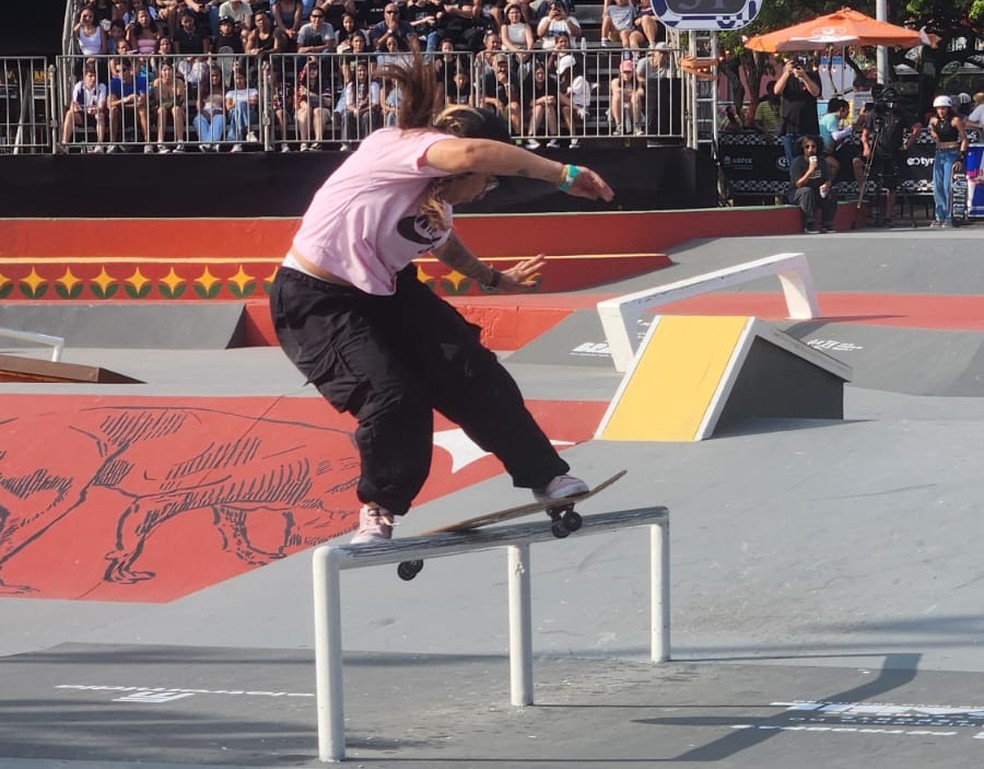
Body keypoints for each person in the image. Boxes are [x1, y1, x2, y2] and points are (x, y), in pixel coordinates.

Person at [268, 49, 613, 544]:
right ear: (461, 164)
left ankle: (546, 476)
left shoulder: (440, 200)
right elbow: (473, 153)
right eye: (488, 180)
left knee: (470, 368)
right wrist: (563, 174)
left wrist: (492, 278)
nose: (488, 188)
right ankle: (379, 508)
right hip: (316, 301)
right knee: (392, 396)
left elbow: (441, 243)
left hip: (387, 291)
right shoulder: (397, 149)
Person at [859, 85, 921, 227]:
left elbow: (917, 127)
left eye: (894, 102)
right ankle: (870, 211)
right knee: (872, 179)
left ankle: (888, 216)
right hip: (878, 150)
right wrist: (866, 147)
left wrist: (907, 144)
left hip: (895, 152)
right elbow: (865, 135)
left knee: (891, 186)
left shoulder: (900, 113)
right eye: (889, 102)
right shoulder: (874, 114)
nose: (892, 105)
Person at [928, 94, 968, 229]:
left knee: (947, 185)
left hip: (952, 153)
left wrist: (960, 157)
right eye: (938, 109)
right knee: (937, 185)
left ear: (948, 108)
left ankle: (950, 216)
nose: (941, 111)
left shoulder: (955, 120)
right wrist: (933, 134)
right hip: (940, 153)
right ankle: (940, 216)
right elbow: (931, 131)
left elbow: (964, 139)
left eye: (943, 108)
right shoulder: (934, 121)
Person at [775, 55, 820, 167]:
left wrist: (804, 76)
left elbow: (816, 92)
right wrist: (786, 73)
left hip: (808, 127)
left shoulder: (812, 76)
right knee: (793, 163)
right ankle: (796, 183)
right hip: (791, 127)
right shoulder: (786, 79)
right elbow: (777, 90)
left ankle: (809, 183)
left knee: (809, 162)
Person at [788, 135, 836, 234]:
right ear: (802, 149)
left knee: (831, 193)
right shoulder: (797, 162)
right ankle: (809, 225)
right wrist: (810, 171)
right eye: (807, 147)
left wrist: (826, 186)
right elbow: (798, 184)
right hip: (799, 193)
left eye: (813, 146)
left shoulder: (822, 161)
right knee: (807, 191)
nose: (810, 149)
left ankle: (827, 224)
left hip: (816, 192)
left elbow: (828, 179)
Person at [61, 66, 108, 151]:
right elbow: (73, 104)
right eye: (90, 76)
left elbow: (101, 106)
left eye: (95, 76)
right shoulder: (78, 86)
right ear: (84, 77)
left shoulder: (101, 87)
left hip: (95, 114)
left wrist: (95, 110)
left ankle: (99, 145)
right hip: (82, 115)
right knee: (69, 114)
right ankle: (65, 144)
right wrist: (74, 108)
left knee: (100, 116)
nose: (93, 79)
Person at [818, 96, 854, 179]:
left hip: (825, 150)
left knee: (832, 167)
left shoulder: (831, 118)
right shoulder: (832, 118)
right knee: (835, 165)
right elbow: (836, 136)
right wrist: (850, 128)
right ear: (842, 109)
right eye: (847, 109)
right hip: (822, 151)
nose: (849, 112)